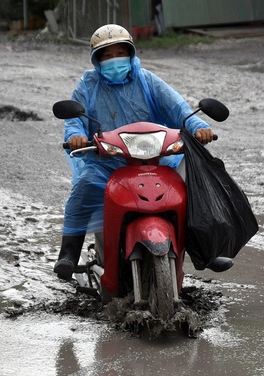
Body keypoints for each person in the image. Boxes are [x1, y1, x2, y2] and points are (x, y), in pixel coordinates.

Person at [54, 23, 233, 280]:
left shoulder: (147, 79)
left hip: (154, 158)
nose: (114, 60)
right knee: (83, 186)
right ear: (96, 60)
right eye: (107, 56)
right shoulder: (88, 84)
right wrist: (75, 137)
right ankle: (68, 255)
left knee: (192, 186)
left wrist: (198, 126)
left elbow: (178, 108)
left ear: (131, 54)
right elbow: (74, 120)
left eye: (120, 53)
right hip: (107, 161)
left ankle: (204, 250)